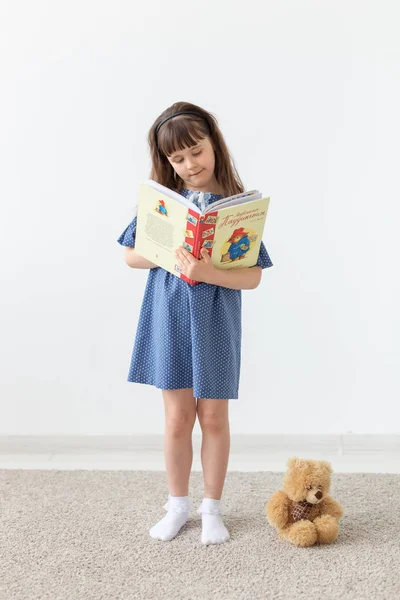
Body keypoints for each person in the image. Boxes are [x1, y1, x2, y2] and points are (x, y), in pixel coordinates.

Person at [117, 101, 273, 545]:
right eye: (177, 159)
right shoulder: (164, 203)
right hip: (168, 316)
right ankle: (177, 505)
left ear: (214, 146)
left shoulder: (239, 206)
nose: (189, 165)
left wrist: (207, 272)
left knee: (214, 417)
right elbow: (131, 255)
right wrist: (167, 252)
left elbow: (253, 276)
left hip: (215, 320)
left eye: (196, 152)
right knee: (176, 418)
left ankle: (211, 509)